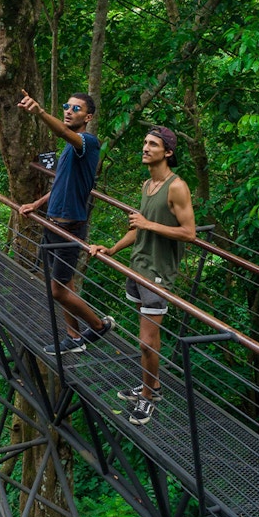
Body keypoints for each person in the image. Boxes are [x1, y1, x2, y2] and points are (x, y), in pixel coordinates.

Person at [89, 126, 196, 425]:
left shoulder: (177, 187)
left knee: (147, 342)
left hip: (158, 273)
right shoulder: (148, 184)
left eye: (153, 144)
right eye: (145, 142)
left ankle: (148, 397)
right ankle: (153, 383)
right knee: (146, 340)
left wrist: (149, 225)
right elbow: (138, 227)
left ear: (168, 152)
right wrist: (112, 249)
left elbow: (189, 233)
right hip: (137, 267)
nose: (146, 148)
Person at [17, 90, 115, 355]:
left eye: (76, 108)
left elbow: (62, 132)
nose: (69, 111)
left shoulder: (87, 143)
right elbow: (60, 183)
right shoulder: (69, 150)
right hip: (52, 224)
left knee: (58, 291)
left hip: (69, 229)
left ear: (88, 117)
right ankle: (73, 337)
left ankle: (98, 326)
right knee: (65, 284)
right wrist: (36, 205)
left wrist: (39, 112)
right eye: (67, 106)